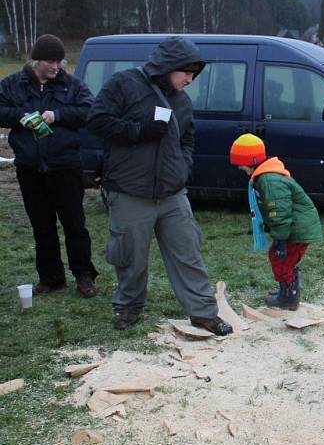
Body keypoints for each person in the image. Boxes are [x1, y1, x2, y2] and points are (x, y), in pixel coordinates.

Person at [87, 36, 232, 335]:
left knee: (188, 251)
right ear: (169, 66)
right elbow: (97, 120)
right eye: (186, 72)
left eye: (195, 73)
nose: (190, 80)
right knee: (131, 257)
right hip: (129, 191)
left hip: (171, 193)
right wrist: (138, 130)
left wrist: (183, 166)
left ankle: (203, 313)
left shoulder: (182, 102)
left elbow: (188, 139)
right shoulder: (124, 84)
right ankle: (128, 307)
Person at [0, 34, 99, 297]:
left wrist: (59, 115)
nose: (56, 66)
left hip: (65, 167)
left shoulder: (73, 86)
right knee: (42, 227)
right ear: (36, 61)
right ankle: (51, 277)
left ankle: (84, 276)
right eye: (50, 61)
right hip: (30, 169)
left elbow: (90, 111)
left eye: (59, 61)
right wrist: (21, 117)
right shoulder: (13, 85)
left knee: (75, 225)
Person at [230, 133, 321, 310]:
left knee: (281, 259)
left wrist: (279, 239)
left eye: (241, 165)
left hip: (296, 228)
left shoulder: (269, 180)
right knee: (285, 260)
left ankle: (288, 298)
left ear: (250, 160)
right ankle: (287, 292)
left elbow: (279, 212)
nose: (241, 168)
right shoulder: (267, 175)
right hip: (295, 226)